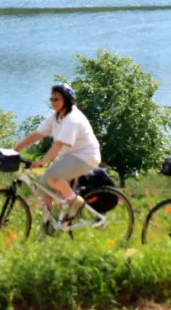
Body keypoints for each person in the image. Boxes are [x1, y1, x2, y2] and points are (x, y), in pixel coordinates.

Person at [11, 83, 103, 223]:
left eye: (57, 99)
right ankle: (49, 224)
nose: (53, 102)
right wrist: (15, 149)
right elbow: (37, 134)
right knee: (44, 187)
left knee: (52, 175)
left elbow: (58, 144)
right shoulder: (56, 117)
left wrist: (43, 161)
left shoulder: (72, 119)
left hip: (85, 156)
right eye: (51, 99)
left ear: (66, 101)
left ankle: (75, 202)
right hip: (69, 156)